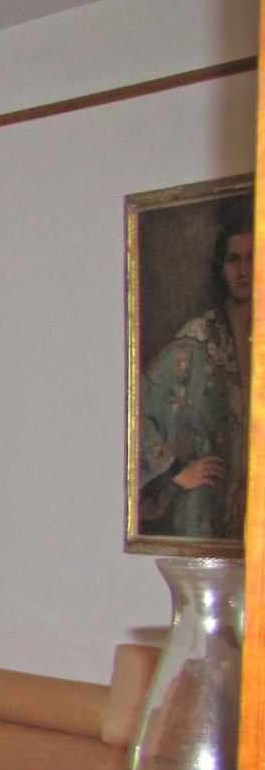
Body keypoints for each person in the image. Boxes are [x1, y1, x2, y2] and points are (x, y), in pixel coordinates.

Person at [138, 223, 252, 540]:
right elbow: (138, 409)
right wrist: (175, 471)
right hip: (206, 515)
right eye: (233, 259)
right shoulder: (199, 339)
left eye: (253, 258)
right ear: (221, 267)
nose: (244, 270)